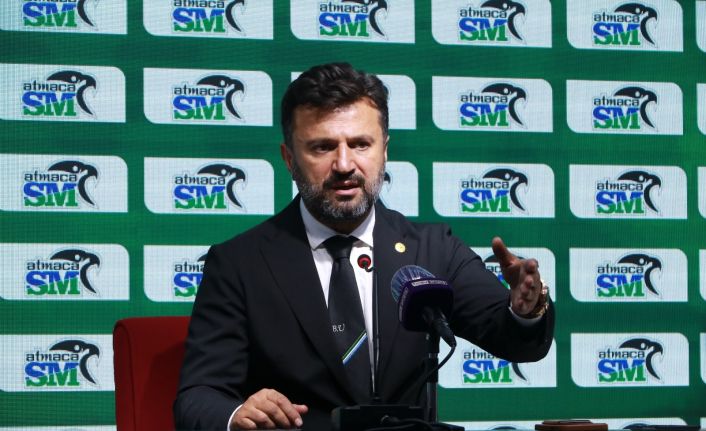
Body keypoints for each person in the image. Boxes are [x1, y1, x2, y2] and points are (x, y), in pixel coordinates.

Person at [173, 62, 555, 431]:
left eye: (360, 144)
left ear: (384, 150)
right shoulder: (239, 264)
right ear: (289, 159)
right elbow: (198, 396)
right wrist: (237, 415)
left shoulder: (433, 250)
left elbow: (515, 341)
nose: (344, 164)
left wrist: (526, 310)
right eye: (322, 147)